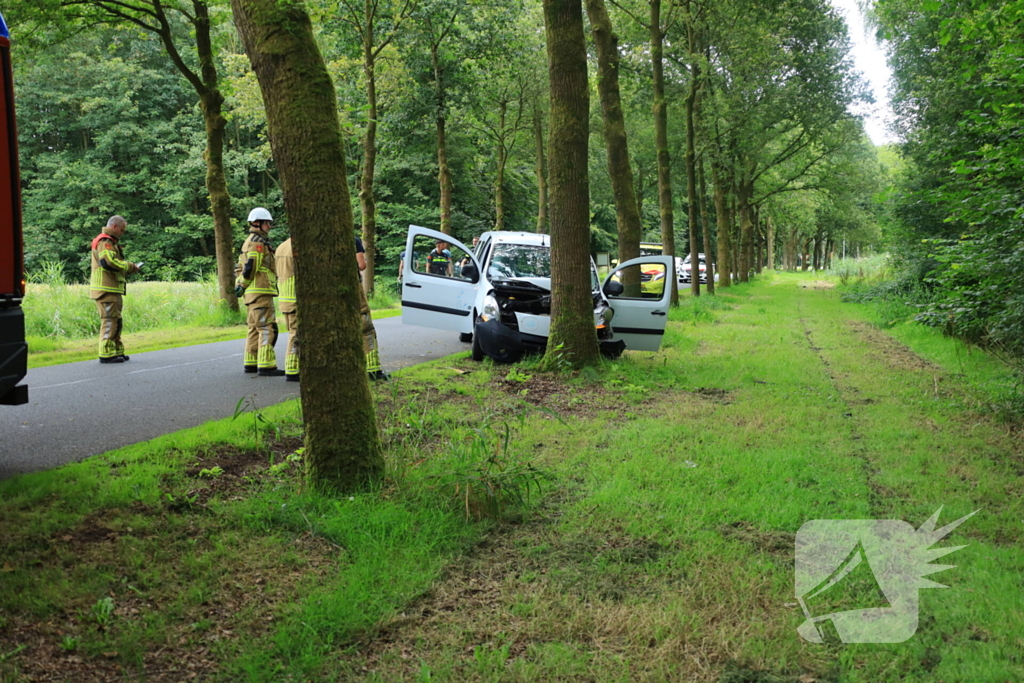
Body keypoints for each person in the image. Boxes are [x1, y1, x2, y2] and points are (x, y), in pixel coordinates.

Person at [235, 207, 282, 376]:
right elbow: (250, 266)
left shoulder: (248, 241)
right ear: (258, 223)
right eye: (267, 223)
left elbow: (239, 267)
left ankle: (251, 362)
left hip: (251, 293)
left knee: (254, 328)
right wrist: (245, 283)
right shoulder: (257, 242)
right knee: (267, 328)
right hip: (260, 291)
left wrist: (240, 285)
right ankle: (267, 365)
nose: (269, 227)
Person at [90, 215, 140, 364]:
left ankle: (116, 351)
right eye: (122, 230)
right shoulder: (105, 241)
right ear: (114, 227)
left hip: (112, 288)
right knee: (109, 320)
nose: (122, 233)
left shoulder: (110, 241)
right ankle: (106, 353)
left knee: (116, 320)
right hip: (105, 288)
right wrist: (129, 266)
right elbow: (108, 262)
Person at [356, 237, 388, 381]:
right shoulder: (352, 240)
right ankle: (373, 370)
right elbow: (361, 265)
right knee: (366, 328)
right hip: (353, 289)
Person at [275, 236, 298, 382]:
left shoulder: (281, 247)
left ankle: (293, 368)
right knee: (296, 334)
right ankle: (293, 369)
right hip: (296, 298)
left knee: (293, 332)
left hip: (285, 298)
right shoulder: (298, 247)